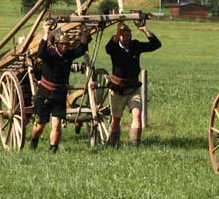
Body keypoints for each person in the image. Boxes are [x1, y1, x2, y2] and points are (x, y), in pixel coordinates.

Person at [28, 23, 90, 152]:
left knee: (56, 125)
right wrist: (46, 33)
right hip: (44, 94)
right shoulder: (48, 54)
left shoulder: (68, 55)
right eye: (62, 44)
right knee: (40, 126)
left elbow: (82, 49)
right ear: (56, 44)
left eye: (66, 44)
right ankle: (33, 142)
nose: (64, 47)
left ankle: (53, 151)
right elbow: (40, 52)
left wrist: (84, 34)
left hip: (60, 94)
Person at [105, 22, 161, 147]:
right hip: (117, 89)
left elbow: (156, 45)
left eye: (128, 35)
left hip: (133, 87)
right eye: (123, 35)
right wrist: (115, 35)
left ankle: (135, 144)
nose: (127, 38)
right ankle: (113, 144)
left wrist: (145, 30)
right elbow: (107, 49)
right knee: (115, 120)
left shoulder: (135, 45)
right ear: (119, 36)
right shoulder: (114, 48)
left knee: (137, 115)